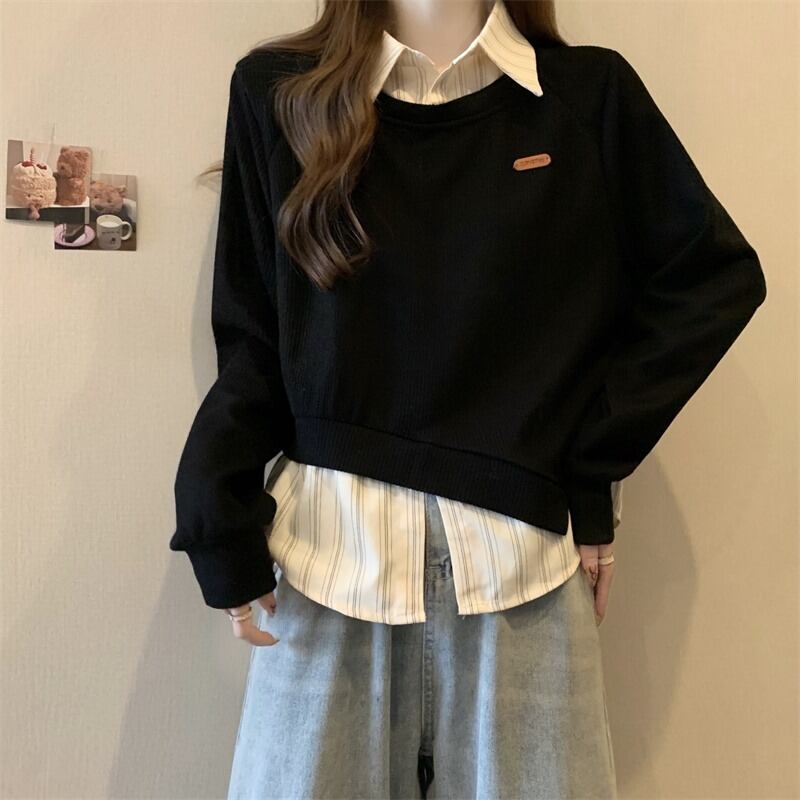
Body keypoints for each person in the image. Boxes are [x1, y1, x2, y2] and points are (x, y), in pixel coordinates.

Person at [169, 0, 767, 797]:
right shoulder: (279, 93)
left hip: (522, 570)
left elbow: (712, 280)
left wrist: (589, 469)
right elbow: (254, 336)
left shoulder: (586, 97)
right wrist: (216, 512)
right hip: (329, 564)